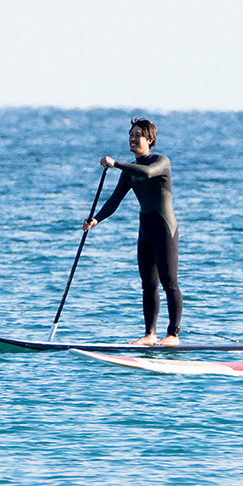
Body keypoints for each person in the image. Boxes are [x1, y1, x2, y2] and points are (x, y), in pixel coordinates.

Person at [84, 118, 181, 347]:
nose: (133, 138)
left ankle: (173, 335)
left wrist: (116, 163)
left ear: (149, 140)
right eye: (131, 134)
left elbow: (147, 173)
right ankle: (150, 334)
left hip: (165, 231)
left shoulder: (160, 161)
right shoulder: (128, 172)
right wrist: (96, 219)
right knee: (148, 284)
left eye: (138, 135)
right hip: (146, 232)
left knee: (169, 283)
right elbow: (114, 200)